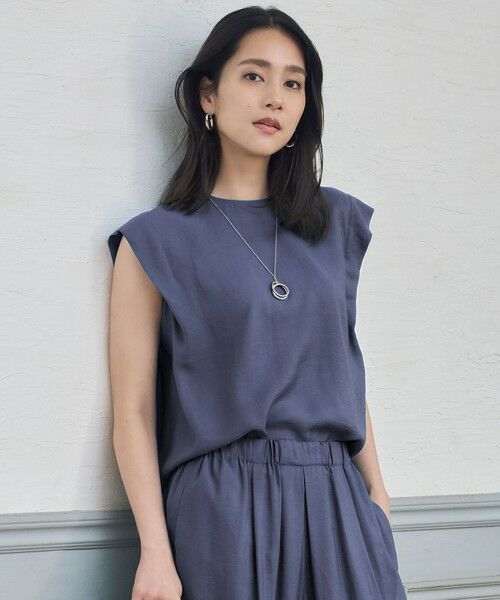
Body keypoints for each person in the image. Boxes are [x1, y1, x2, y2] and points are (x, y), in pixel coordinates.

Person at [107, 6, 408, 600]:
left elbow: (340, 365)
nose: (275, 97)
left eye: (293, 83)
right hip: (221, 510)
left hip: (337, 504)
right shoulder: (155, 242)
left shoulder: (335, 222)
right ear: (208, 95)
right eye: (253, 75)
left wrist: (377, 495)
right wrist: (155, 552)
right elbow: (134, 411)